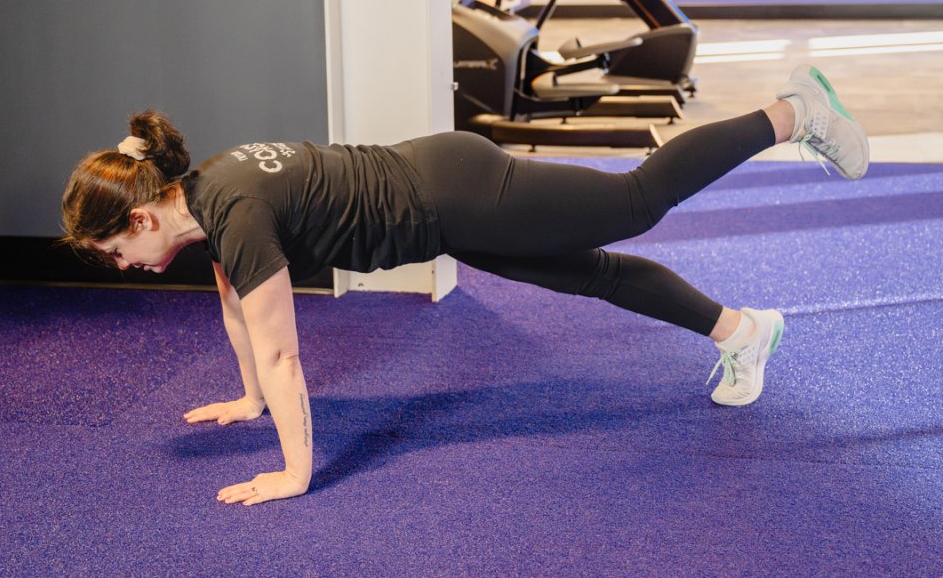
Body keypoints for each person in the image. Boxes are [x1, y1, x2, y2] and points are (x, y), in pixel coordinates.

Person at [61, 65, 868, 506]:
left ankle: (793, 112)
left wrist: (294, 471)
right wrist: (246, 400)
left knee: (634, 201)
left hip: (453, 196)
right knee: (590, 272)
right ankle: (742, 332)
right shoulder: (205, 191)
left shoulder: (231, 214)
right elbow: (236, 304)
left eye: (113, 251)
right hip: (444, 195)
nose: (122, 268)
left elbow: (282, 352)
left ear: (138, 220)